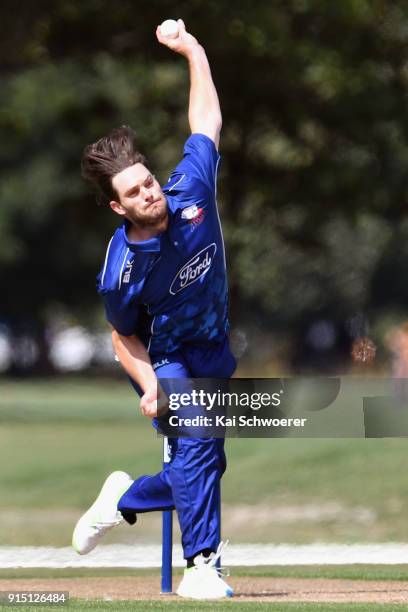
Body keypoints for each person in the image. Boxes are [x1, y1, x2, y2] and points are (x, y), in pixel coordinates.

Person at [72, 20, 236, 600]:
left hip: (214, 347)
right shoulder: (120, 271)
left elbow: (206, 122)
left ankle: (122, 497)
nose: (150, 192)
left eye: (148, 181)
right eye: (135, 192)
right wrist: (148, 383)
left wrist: (193, 49)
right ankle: (203, 567)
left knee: (203, 466)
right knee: (195, 439)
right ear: (117, 206)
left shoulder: (191, 190)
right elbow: (122, 337)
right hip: (167, 355)